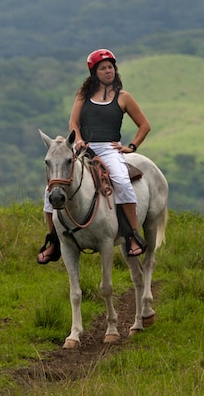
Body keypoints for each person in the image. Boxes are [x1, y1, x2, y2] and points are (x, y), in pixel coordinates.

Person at [37, 48, 151, 263]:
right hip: (82, 147)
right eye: (103, 68)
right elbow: (73, 123)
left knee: (122, 182)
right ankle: (54, 240)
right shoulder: (83, 96)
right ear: (94, 72)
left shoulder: (124, 97)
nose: (108, 71)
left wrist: (132, 146)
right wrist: (78, 140)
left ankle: (133, 236)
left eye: (110, 67)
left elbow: (144, 126)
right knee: (49, 190)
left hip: (109, 149)